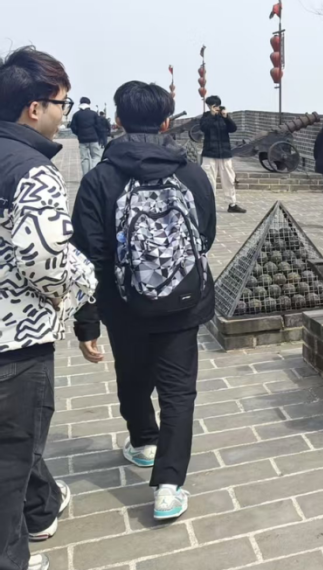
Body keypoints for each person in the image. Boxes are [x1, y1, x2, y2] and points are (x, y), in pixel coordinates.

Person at [72, 81, 217, 522]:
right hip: (183, 302)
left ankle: (143, 442)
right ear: (166, 122)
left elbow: (87, 256)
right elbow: (205, 236)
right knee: (179, 391)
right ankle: (168, 488)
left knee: (133, 376)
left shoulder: (99, 178)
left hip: (124, 305)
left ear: (117, 121)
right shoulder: (191, 174)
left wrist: (87, 322)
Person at [0, 46, 79, 570]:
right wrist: (71, 290)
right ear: (36, 107)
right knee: (12, 454)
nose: (62, 114)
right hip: (16, 336)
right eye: (61, 104)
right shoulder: (33, 170)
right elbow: (46, 260)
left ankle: (42, 505)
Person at [199, 95, 246, 214]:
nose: (214, 108)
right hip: (209, 153)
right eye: (211, 106)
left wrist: (226, 117)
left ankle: (232, 204)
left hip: (224, 153)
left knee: (229, 179)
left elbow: (233, 128)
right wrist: (212, 115)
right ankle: (209, 205)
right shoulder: (206, 117)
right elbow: (204, 128)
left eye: (216, 106)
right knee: (209, 180)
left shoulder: (223, 116)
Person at [69, 97, 105, 174]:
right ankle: (94, 173)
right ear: (89, 104)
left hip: (82, 139)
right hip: (94, 139)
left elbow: (73, 127)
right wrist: (100, 137)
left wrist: (79, 133)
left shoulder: (76, 115)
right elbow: (99, 127)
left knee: (84, 159)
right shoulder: (94, 114)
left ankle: (86, 175)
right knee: (96, 156)